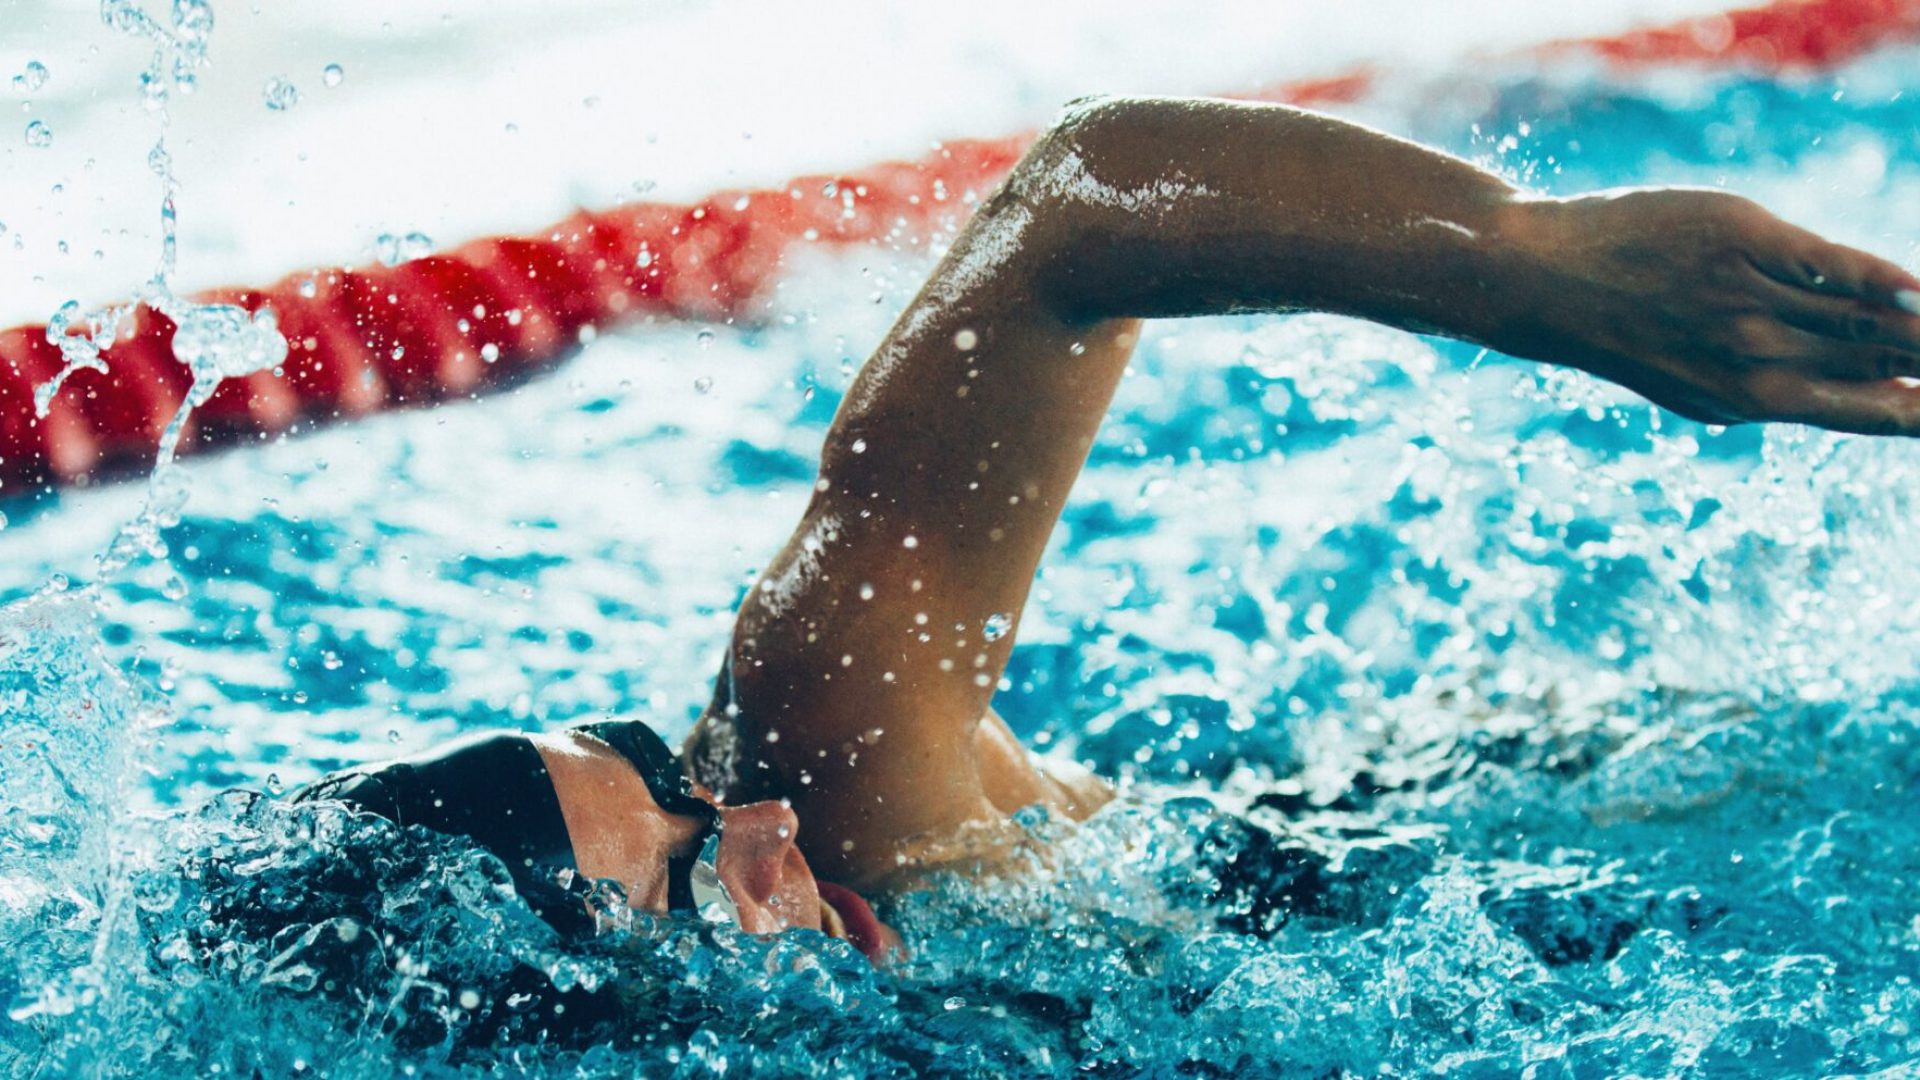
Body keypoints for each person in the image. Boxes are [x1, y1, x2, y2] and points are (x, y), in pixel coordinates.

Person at [292, 94, 1920, 963]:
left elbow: (1080, 203)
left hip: (1440, 872)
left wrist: (1531, 263)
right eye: (684, 882)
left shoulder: (840, 784)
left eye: (675, 789)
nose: (761, 825)